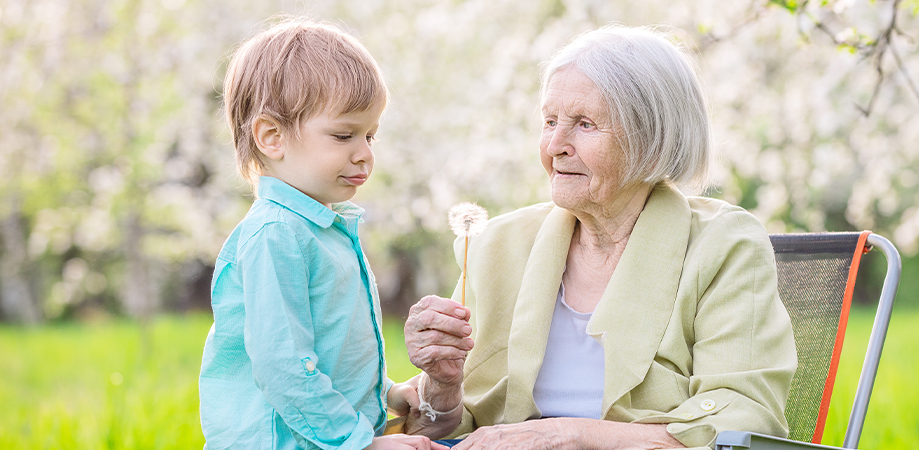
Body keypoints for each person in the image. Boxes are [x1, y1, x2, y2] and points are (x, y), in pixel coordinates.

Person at [402, 25, 798, 449]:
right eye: (549, 121)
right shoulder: (497, 245)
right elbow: (446, 432)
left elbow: (744, 417)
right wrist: (443, 389)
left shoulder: (724, 245)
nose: (555, 144)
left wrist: (568, 436)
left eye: (585, 124)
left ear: (653, 138)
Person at [198, 19, 447, 450]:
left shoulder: (323, 229)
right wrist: (361, 443)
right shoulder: (275, 235)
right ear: (272, 137)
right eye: (344, 134)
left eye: (370, 135)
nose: (365, 153)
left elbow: (330, 352)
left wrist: (385, 393)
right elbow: (283, 366)